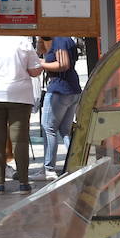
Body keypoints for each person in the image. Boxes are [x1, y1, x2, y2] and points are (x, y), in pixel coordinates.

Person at [0, 31, 42, 195]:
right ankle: (24, 183)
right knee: (20, 140)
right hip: (20, 96)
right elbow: (34, 71)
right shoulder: (22, 40)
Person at [40, 35, 82, 179]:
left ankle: (48, 168)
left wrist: (41, 63)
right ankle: (76, 163)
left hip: (59, 89)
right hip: (72, 88)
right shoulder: (67, 39)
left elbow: (63, 64)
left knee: (48, 128)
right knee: (65, 130)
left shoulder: (59, 39)